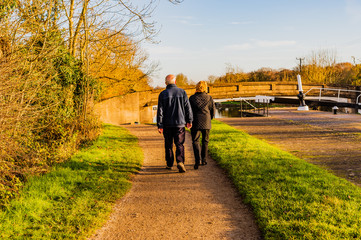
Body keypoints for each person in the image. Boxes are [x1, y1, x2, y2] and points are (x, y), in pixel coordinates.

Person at [157, 74, 193, 173]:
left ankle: (169, 163)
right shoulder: (182, 92)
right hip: (180, 123)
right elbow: (187, 107)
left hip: (167, 124)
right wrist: (189, 120)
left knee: (168, 144)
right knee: (179, 144)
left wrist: (160, 125)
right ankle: (180, 161)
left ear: (165, 83)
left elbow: (160, 111)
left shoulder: (163, 94)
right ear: (175, 82)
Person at [189, 81, 215, 169]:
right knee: (205, 141)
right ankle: (204, 160)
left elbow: (189, 111)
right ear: (205, 87)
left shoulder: (192, 98)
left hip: (195, 121)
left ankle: (197, 161)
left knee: (195, 141)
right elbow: (213, 111)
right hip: (206, 121)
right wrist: (209, 118)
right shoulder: (209, 98)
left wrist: (189, 120)